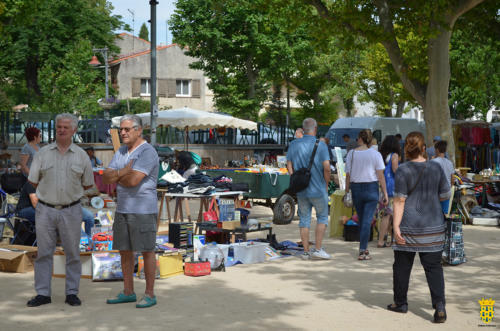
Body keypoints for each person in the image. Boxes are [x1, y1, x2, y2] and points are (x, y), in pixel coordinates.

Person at [26, 113, 94, 307]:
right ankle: (43, 294)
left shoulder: (82, 156)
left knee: (72, 253)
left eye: (66, 127)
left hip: (71, 210)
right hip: (45, 210)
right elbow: (32, 180)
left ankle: (72, 293)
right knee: (44, 253)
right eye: (59, 127)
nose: (62, 130)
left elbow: (88, 184)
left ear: (74, 130)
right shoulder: (42, 153)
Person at [387, 131, 450, 323]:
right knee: (434, 268)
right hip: (433, 227)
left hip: (408, 227)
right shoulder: (436, 167)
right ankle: (439, 307)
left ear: (407, 149)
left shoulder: (403, 170)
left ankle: (400, 303)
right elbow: (446, 194)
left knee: (402, 266)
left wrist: (396, 226)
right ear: (424, 148)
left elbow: (399, 201)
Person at [103, 114, 159, 308]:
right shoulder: (121, 151)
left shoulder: (147, 152)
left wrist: (118, 176)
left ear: (139, 130)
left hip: (143, 209)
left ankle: (150, 294)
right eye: (121, 129)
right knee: (124, 251)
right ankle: (128, 291)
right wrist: (122, 172)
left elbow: (134, 180)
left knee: (147, 251)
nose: (123, 132)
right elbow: (106, 177)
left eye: (127, 129)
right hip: (123, 209)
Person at [287, 118, 331, 260]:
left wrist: (295, 178)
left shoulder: (293, 144)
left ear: (303, 129)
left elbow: (289, 164)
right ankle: (317, 249)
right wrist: (326, 183)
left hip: (301, 189)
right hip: (318, 189)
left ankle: (305, 252)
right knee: (322, 217)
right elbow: (327, 168)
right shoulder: (321, 145)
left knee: (304, 219)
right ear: (316, 129)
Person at [345, 129, 388, 261]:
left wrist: (347, 191)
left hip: (356, 188)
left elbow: (348, 175)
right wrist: (385, 193)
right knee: (367, 220)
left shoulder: (351, 154)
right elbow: (381, 176)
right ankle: (363, 249)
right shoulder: (376, 154)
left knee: (362, 219)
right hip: (371, 187)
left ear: (359, 139)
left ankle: (363, 247)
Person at [15, 181, 96, 236]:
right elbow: (35, 203)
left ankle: (89, 241)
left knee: (89, 216)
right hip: (27, 210)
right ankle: (82, 242)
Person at [377, 135, 401, 248]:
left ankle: (385, 239)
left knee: (386, 215)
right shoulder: (394, 156)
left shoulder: (382, 156)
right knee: (390, 216)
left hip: (384, 188)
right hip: (393, 189)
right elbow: (396, 170)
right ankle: (383, 240)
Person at [431, 140, 455, 214]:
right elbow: (452, 180)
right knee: (444, 214)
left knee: (434, 214)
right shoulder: (450, 163)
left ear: (437, 150)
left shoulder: (433, 162)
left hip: (437, 193)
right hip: (447, 192)